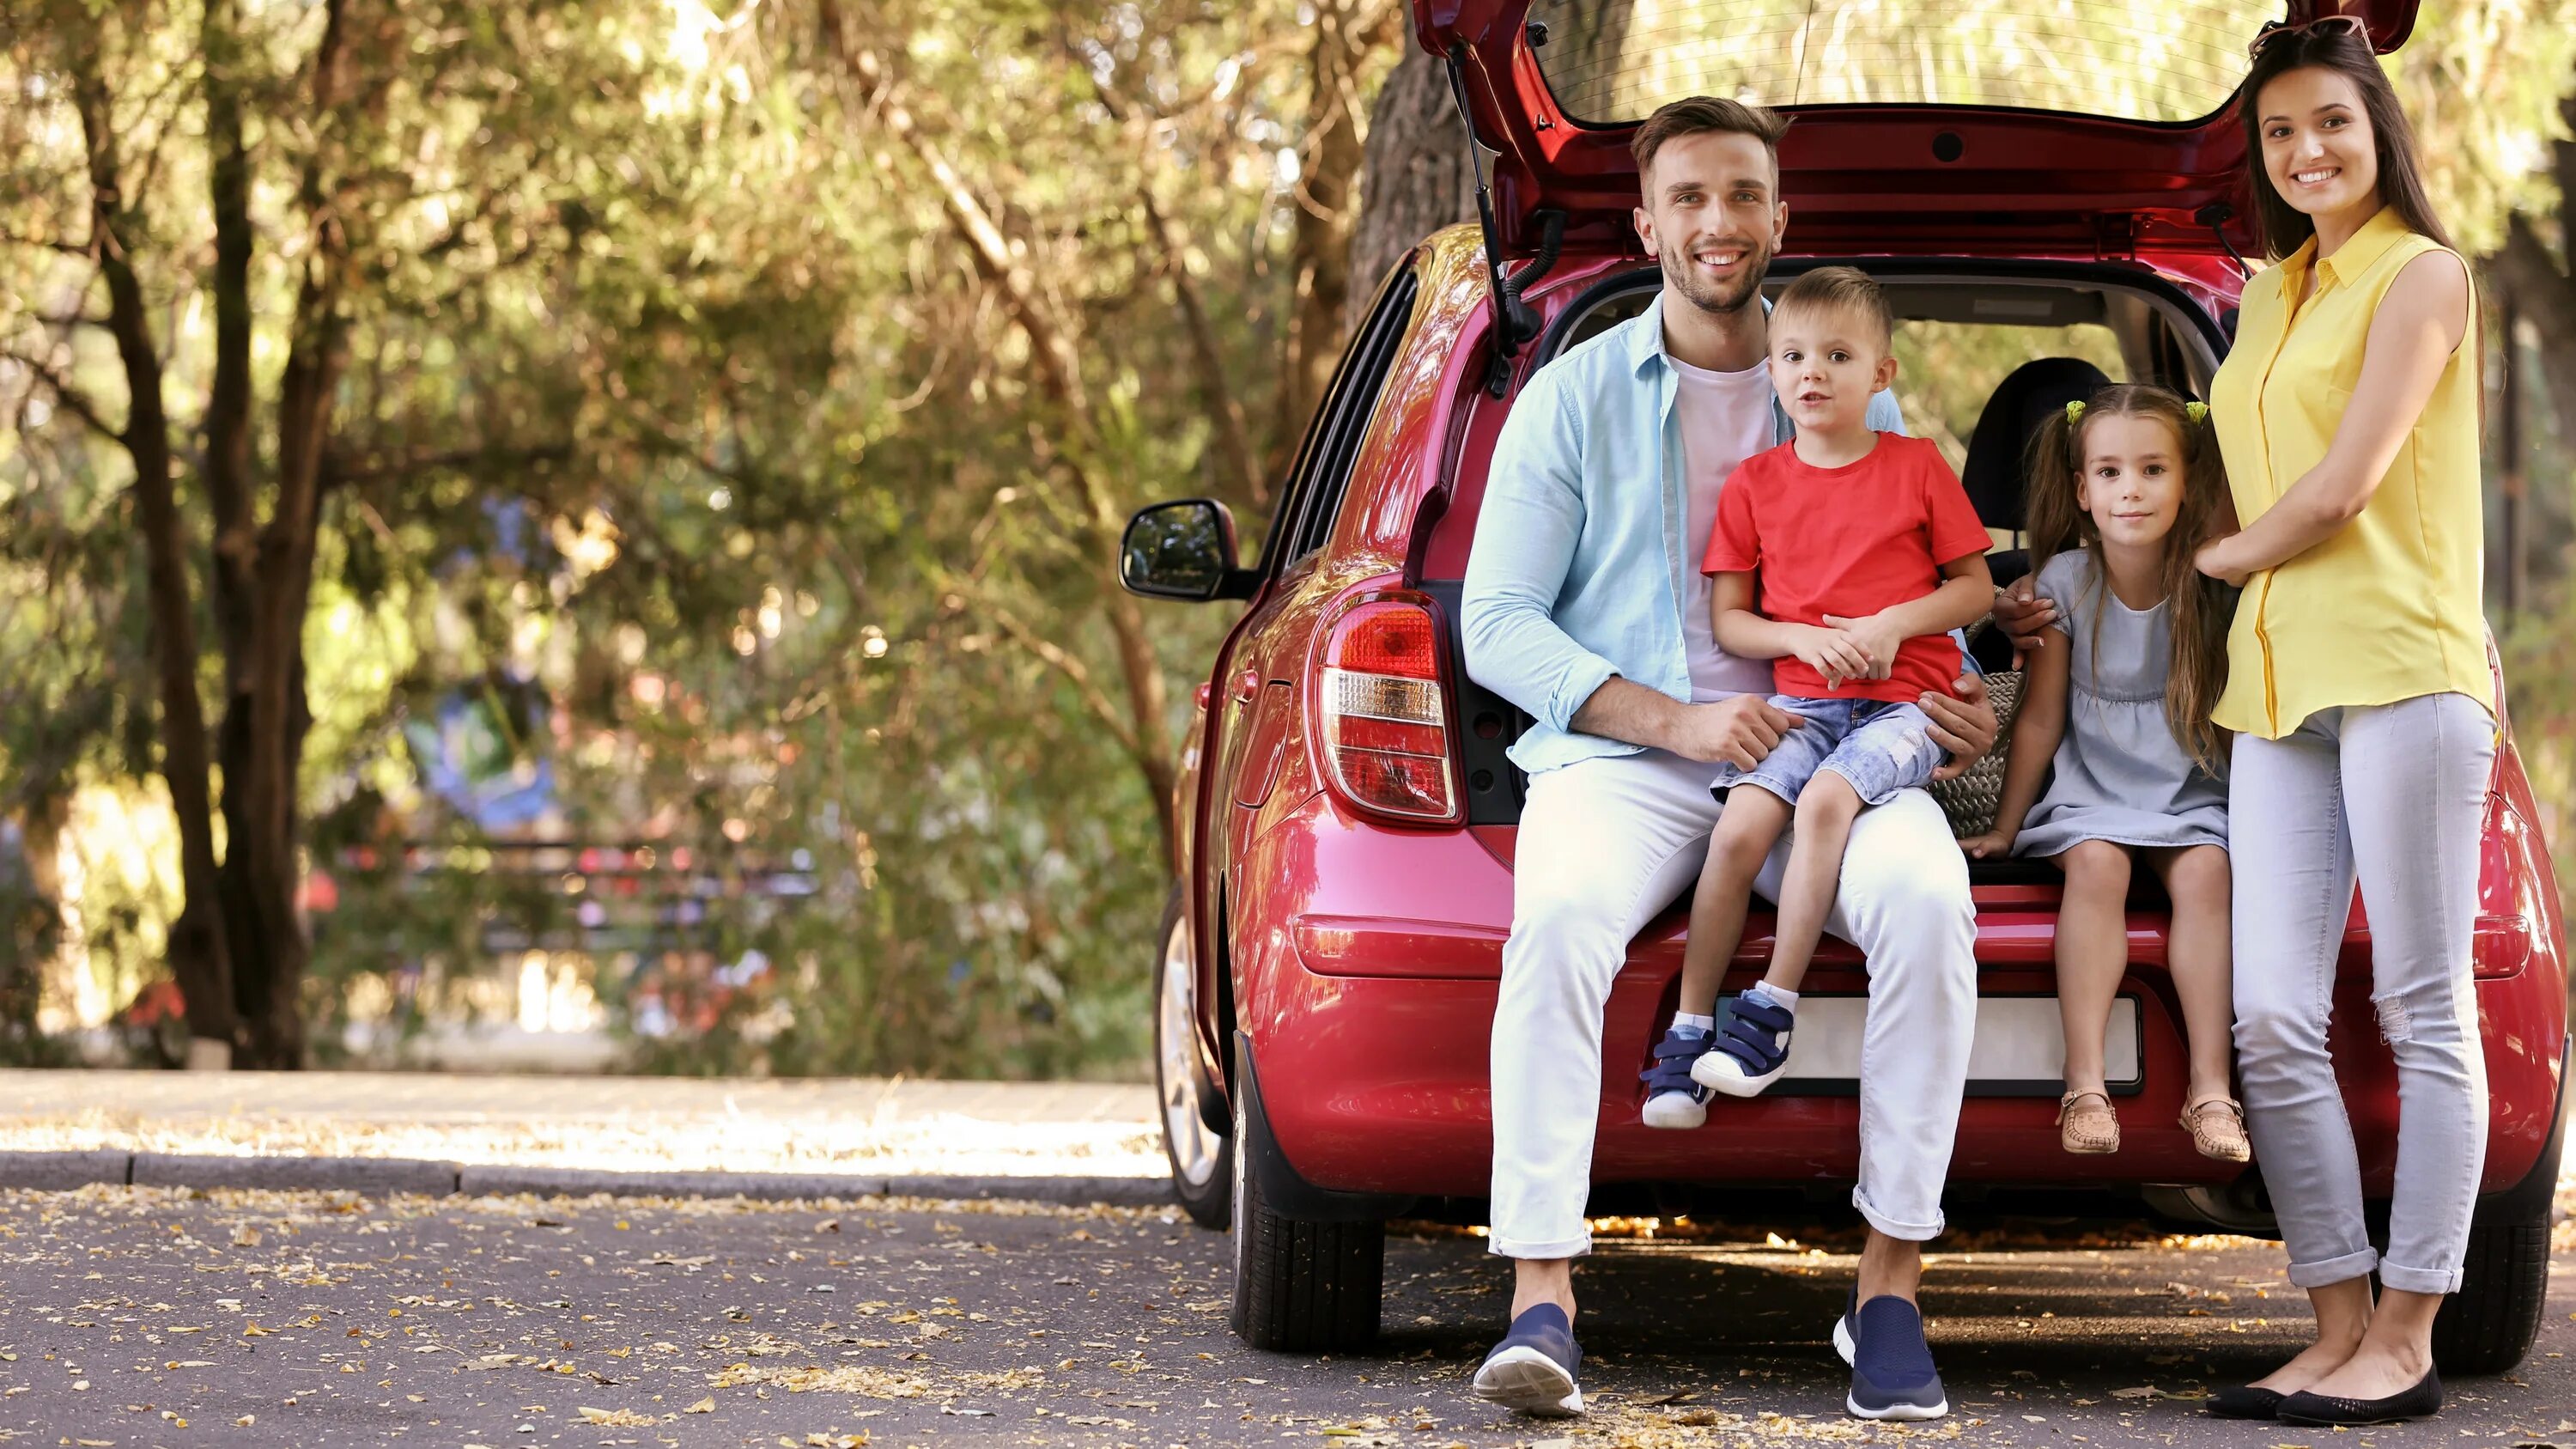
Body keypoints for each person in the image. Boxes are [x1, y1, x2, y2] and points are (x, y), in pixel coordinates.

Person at [1460, 95, 2019, 1425]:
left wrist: (1965, 708)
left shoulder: (1845, 384)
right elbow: (1496, 623)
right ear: (1648, 221)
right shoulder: (1571, 397)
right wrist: (1675, 718)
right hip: (1633, 756)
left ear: (1781, 216)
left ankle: (1887, 1288)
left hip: (1835, 746)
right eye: (1692, 198)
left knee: (1934, 910)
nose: (1720, 222)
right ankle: (1545, 1295)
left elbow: (1940, 590)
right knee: (1554, 925)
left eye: (1745, 195)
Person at [2194, 14, 2493, 1428]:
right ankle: (2336, 1321)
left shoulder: (2423, 276)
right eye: (2279, 132)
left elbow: (2341, 486)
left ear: (2379, 130)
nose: (2307, 150)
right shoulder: (2268, 294)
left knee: (2424, 1001)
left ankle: (2414, 1326)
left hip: (2402, 671)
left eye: (2331, 122)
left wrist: (2210, 562)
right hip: (2276, 685)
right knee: (2268, 1014)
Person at [1638, 266, 1994, 1121]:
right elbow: (1731, 621)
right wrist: (1799, 637)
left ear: (1881, 374)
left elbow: (1974, 589)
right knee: (1738, 831)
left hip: (1907, 705)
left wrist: (1892, 624)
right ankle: (1689, 1031)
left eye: (1838, 355)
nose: (1813, 372)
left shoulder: (1914, 467)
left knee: (1827, 801)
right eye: (1794, 354)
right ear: (1770, 368)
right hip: (1804, 704)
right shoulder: (1755, 485)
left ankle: (1769, 1012)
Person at [1959, 384, 2245, 1163]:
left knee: (2207, 874)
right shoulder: (2060, 584)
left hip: (2187, 789)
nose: (2132, 489)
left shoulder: (2212, 581)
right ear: (2083, 491)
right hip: (2092, 792)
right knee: (2095, 864)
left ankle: (2212, 1091)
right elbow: (2043, 720)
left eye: (2154, 470)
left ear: (2189, 483)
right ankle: (2084, 1083)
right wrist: (2007, 828)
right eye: (2112, 472)